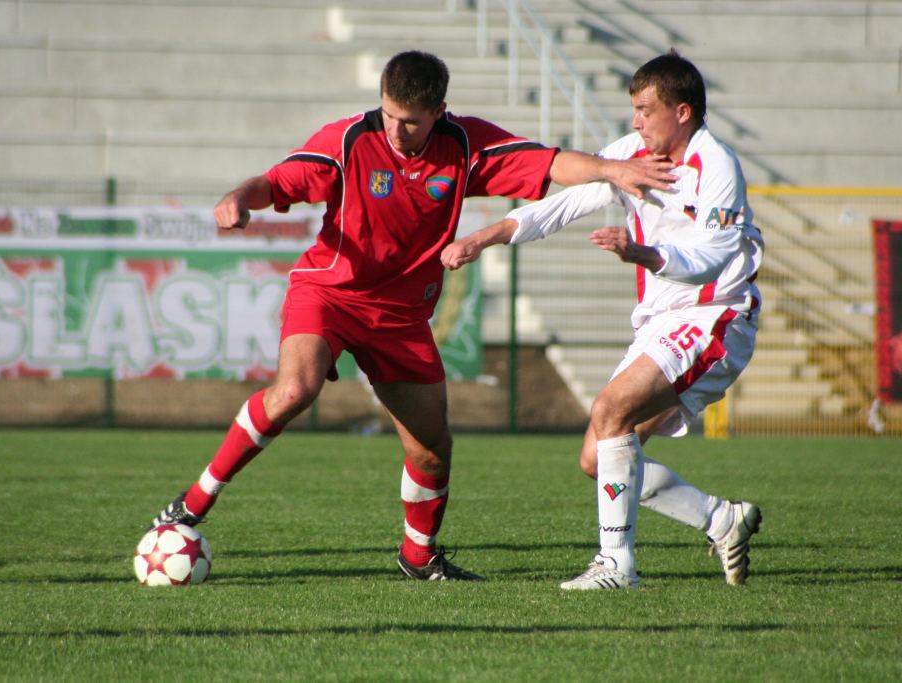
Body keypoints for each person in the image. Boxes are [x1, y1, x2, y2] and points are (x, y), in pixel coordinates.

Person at [148, 50, 676, 581]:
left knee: (431, 448)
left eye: (411, 122)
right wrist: (239, 196)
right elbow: (277, 182)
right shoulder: (349, 140)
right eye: (389, 115)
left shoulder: (465, 145)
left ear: (439, 111)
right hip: (330, 293)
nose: (396, 130)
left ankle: (419, 555)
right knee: (294, 391)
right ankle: (191, 505)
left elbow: (551, 162)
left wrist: (610, 168)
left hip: (400, 318)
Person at [441, 51, 764, 589]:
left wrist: (643, 254)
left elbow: (713, 255)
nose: (636, 121)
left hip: (716, 315)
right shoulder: (633, 153)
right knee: (599, 456)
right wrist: (485, 236)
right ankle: (719, 519)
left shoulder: (718, 166)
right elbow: (563, 205)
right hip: (662, 321)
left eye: (645, 109)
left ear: (682, 112)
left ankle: (617, 565)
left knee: (609, 408)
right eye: (634, 110)